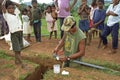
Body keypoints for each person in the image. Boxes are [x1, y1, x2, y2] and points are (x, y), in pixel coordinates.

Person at [2, 0, 24, 68]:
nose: (11, 9)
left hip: (20, 32)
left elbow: (19, 5)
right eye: (9, 8)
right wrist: (5, 1)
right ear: (7, 9)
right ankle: (22, 64)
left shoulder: (16, 13)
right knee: (16, 49)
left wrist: (11, 2)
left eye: (12, 8)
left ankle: (16, 61)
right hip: (14, 34)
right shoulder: (6, 15)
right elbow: (3, 6)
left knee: (19, 48)